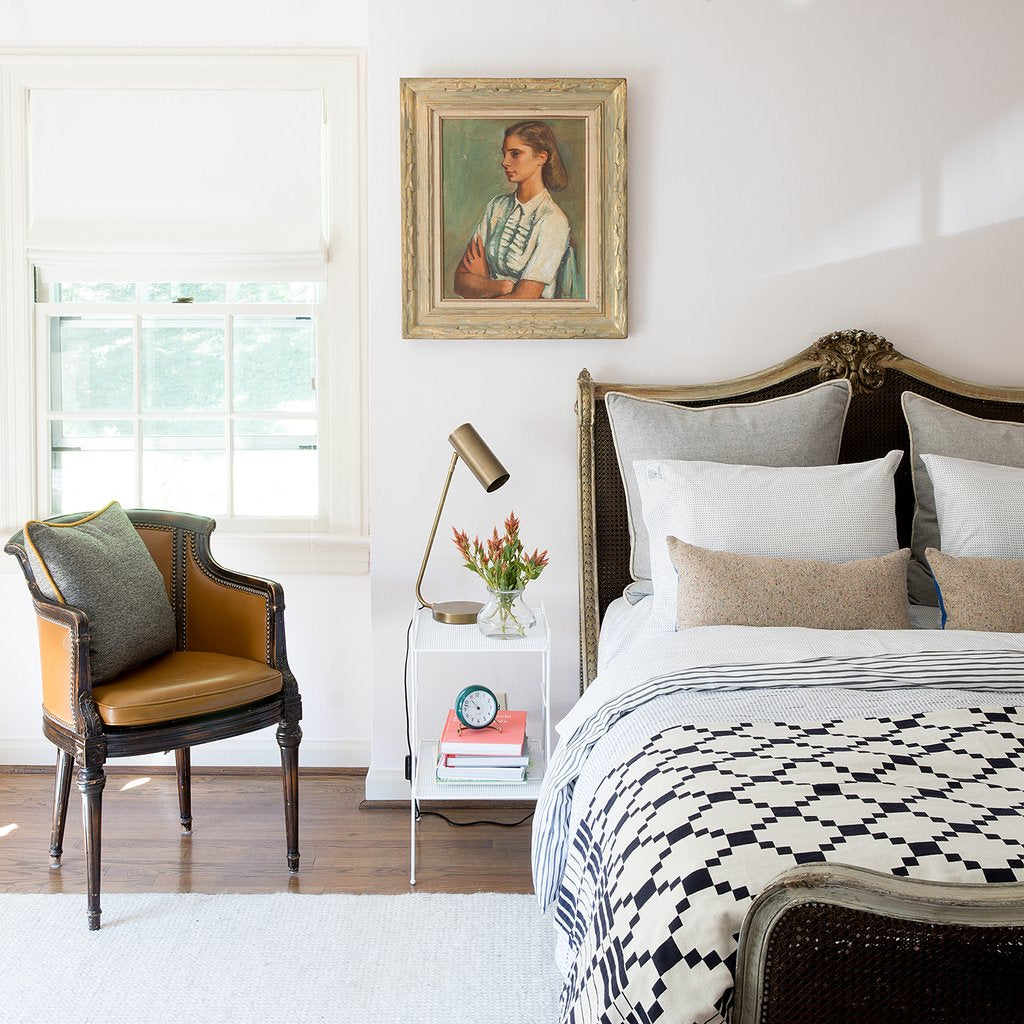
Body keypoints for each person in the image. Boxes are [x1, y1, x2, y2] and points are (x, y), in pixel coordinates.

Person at [453, 120, 579, 300]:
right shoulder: (496, 207)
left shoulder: (553, 220)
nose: (505, 162)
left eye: (515, 154)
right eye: (504, 154)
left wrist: (483, 285)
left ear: (541, 158)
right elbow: (460, 283)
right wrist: (504, 286)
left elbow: (524, 300)